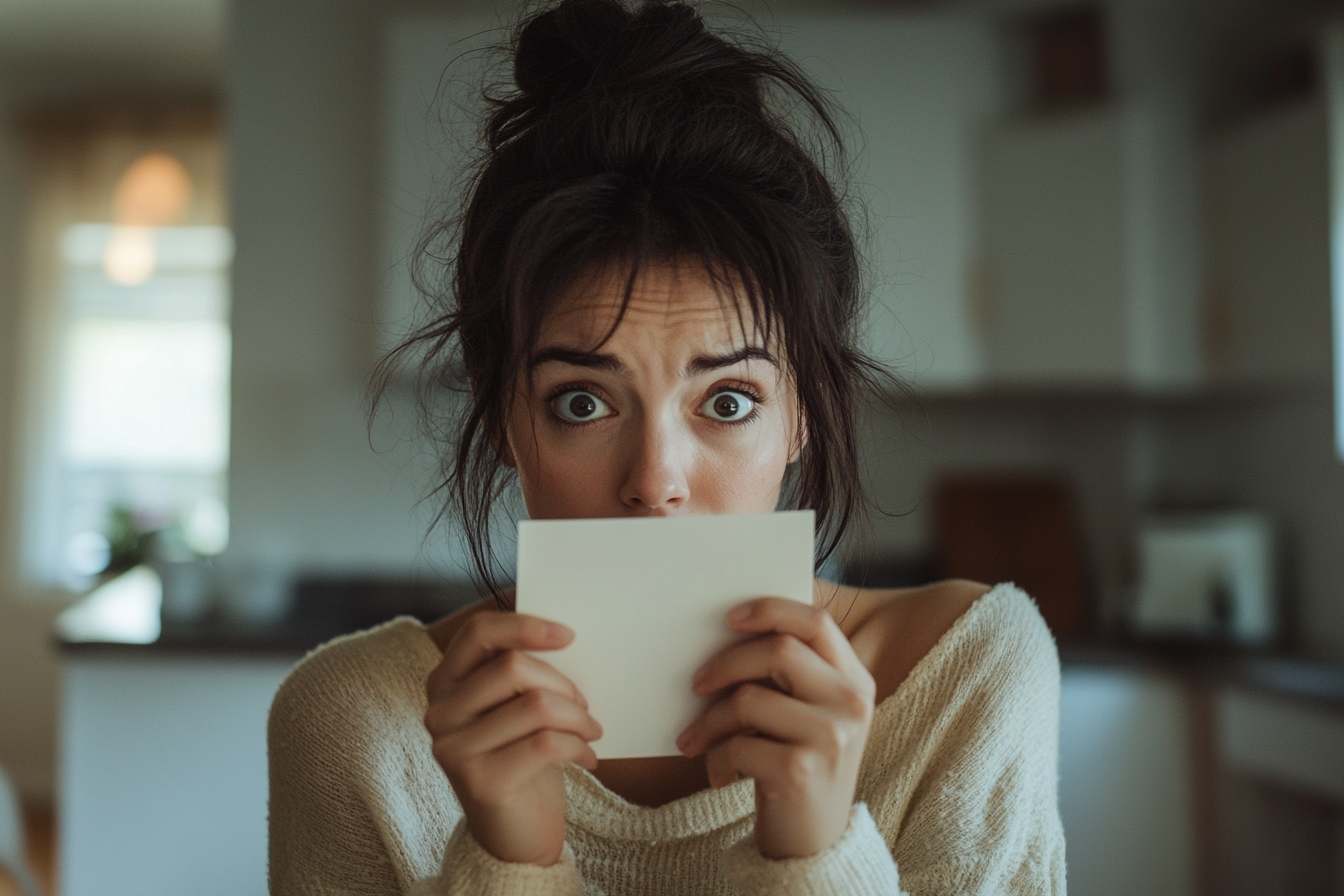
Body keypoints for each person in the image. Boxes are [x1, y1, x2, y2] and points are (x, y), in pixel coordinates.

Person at [267, 1, 1066, 893]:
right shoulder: (356, 723)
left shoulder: (964, 678)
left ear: (801, 410)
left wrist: (815, 852)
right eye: (581, 401)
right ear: (499, 416)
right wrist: (513, 863)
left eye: (726, 400)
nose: (656, 482)